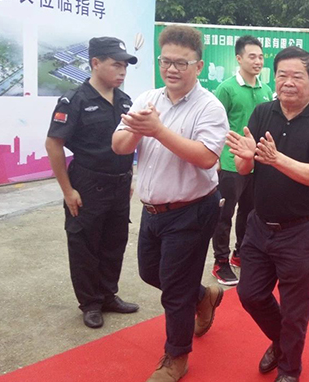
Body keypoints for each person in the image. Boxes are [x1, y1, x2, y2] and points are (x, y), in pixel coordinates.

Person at [111, 25, 229, 382]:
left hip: (192, 210)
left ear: (199, 66)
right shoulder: (148, 99)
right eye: (166, 61)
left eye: (181, 63)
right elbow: (119, 146)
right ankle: (203, 296)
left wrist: (158, 131)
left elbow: (206, 157)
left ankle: (176, 357)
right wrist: (140, 128)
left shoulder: (209, 107)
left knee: (174, 290)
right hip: (153, 210)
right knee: (151, 273)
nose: (172, 69)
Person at [226, 46, 309, 382]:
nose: (288, 82)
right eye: (282, 75)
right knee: (250, 294)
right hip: (260, 226)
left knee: (294, 308)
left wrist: (276, 159)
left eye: (297, 76)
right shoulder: (263, 112)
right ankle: (281, 342)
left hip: (302, 231)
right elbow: (246, 168)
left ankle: (290, 369)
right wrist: (245, 156)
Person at [45, 37, 139, 329]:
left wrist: (130, 175)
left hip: (119, 184)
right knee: (85, 245)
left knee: (114, 242)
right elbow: (53, 144)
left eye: (125, 66)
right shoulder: (75, 100)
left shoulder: (124, 100)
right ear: (95, 63)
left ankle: (108, 295)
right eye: (116, 65)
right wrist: (67, 190)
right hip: (87, 184)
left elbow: (129, 142)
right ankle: (90, 303)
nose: (122, 71)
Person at [211, 35, 273, 286]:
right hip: (230, 163)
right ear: (238, 58)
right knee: (224, 214)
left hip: (256, 163)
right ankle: (220, 262)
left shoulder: (266, 90)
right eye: (252, 56)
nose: (258, 61)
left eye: (261, 57)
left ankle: (241, 253)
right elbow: (214, 125)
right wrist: (216, 158)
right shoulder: (226, 89)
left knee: (250, 213)